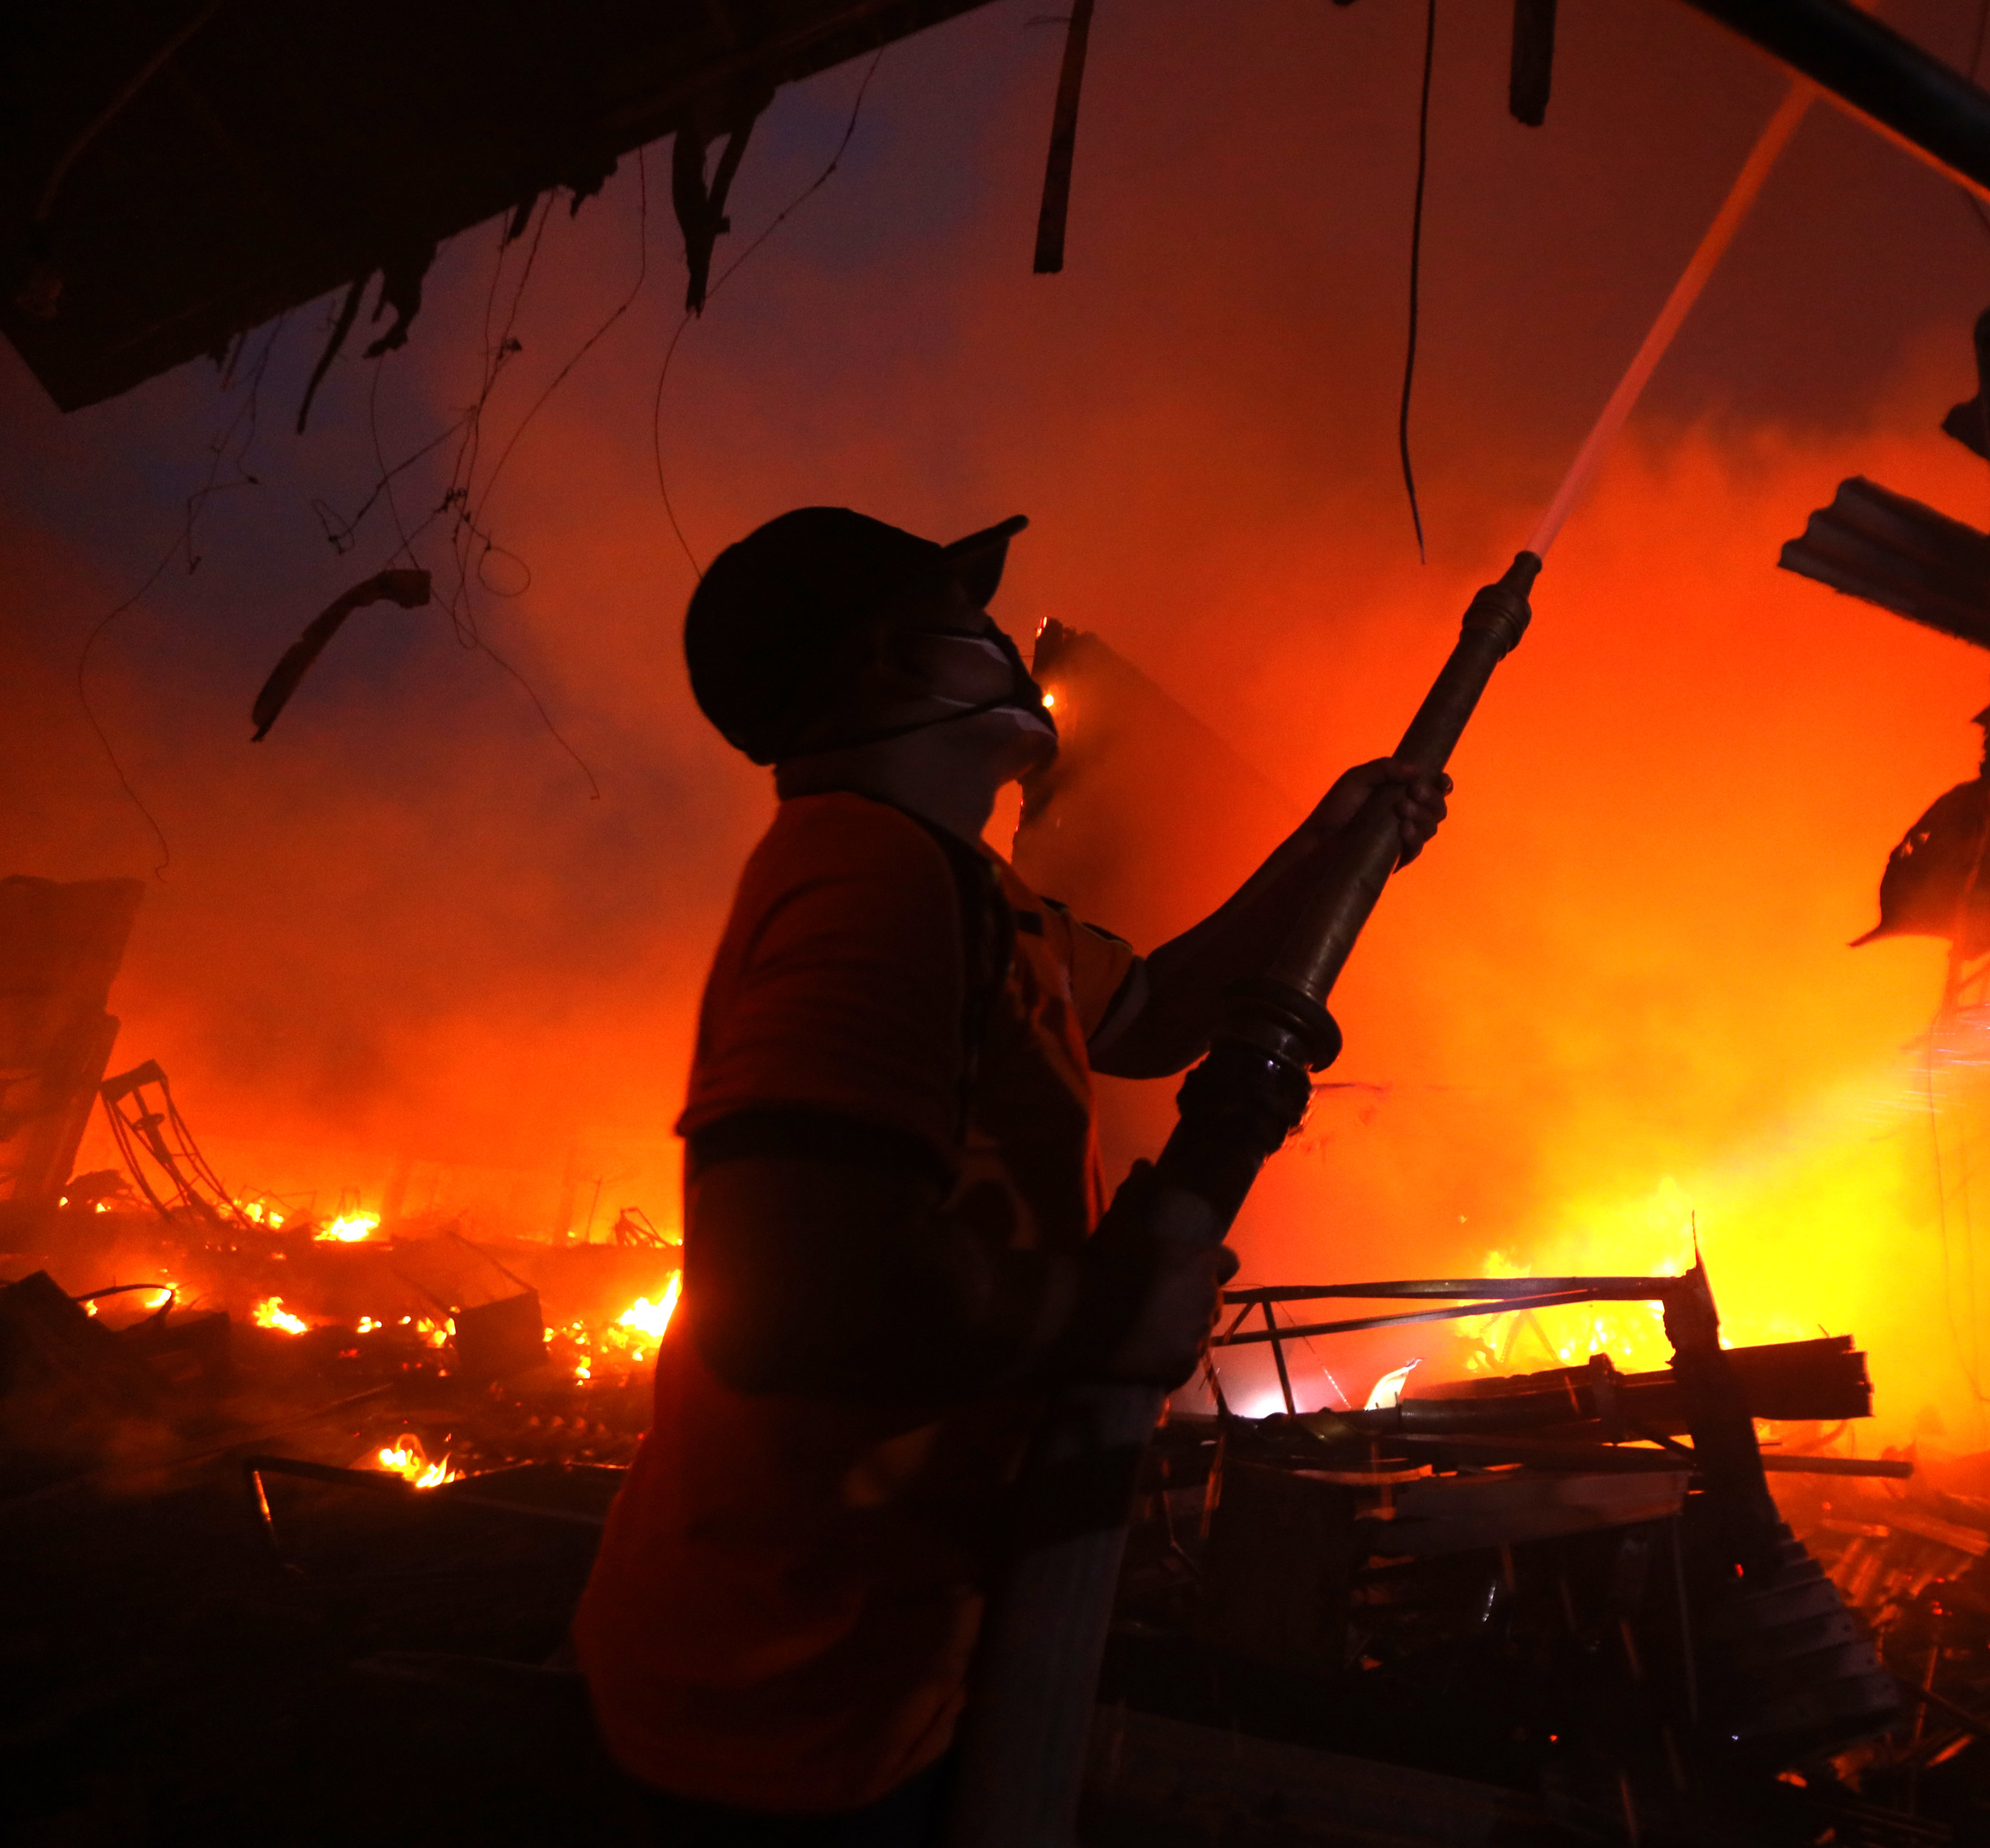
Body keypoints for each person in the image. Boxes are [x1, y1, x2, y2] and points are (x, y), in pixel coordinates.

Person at [573, 507, 1449, 1842]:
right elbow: (792, 1298)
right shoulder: (867, 881)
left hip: (870, 1658)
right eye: (966, 615)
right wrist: (1107, 1312)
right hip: (784, 1691)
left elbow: (1153, 1011)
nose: (1001, 639)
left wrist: (1329, 849)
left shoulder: (970, 891)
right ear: (892, 664)